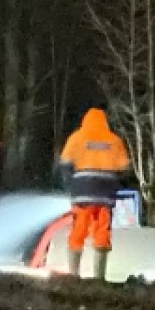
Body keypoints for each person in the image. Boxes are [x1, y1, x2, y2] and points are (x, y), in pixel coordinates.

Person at [58, 108, 131, 281]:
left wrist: (71, 183)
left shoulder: (76, 138)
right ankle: (99, 277)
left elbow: (65, 163)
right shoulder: (114, 140)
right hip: (105, 194)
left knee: (79, 231)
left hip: (82, 194)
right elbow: (125, 167)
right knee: (102, 232)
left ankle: (73, 275)